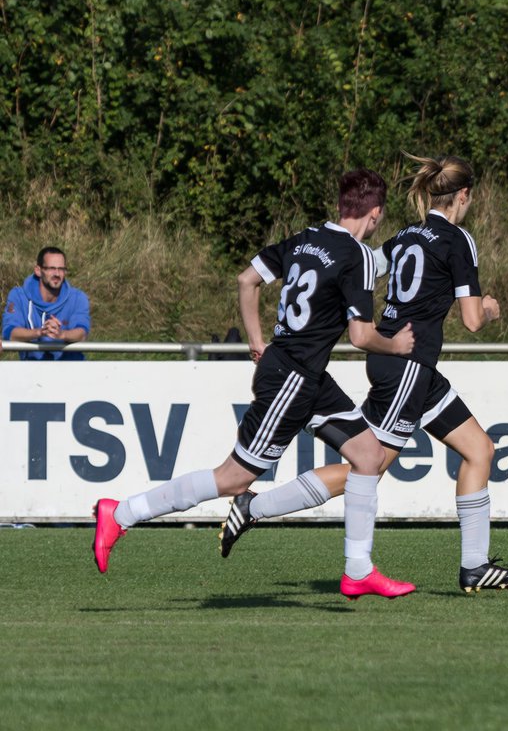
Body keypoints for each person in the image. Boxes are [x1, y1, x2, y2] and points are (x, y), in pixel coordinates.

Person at [92, 169, 417, 599]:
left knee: (369, 455)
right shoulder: (355, 256)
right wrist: (394, 346)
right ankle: (122, 513)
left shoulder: (306, 239)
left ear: (342, 206)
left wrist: (256, 341)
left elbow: (247, 280)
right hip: (293, 379)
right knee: (231, 479)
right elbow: (361, 336)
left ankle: (358, 570)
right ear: (375, 214)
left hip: (305, 374)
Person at [217, 155, 508, 593]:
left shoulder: (404, 235)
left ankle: (475, 566)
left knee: (479, 449)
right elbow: (474, 319)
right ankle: (254, 507)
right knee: (369, 467)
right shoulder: (458, 239)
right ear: (464, 195)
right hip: (406, 365)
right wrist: (492, 307)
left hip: (411, 365)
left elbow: (363, 264)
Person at [3, 246, 91, 360]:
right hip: (32, 370)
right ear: (38, 270)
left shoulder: (78, 298)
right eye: (51, 268)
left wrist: (61, 334)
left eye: (61, 269)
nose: (57, 274)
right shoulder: (18, 296)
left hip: (70, 369)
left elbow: (82, 333)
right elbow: (10, 333)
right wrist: (40, 332)